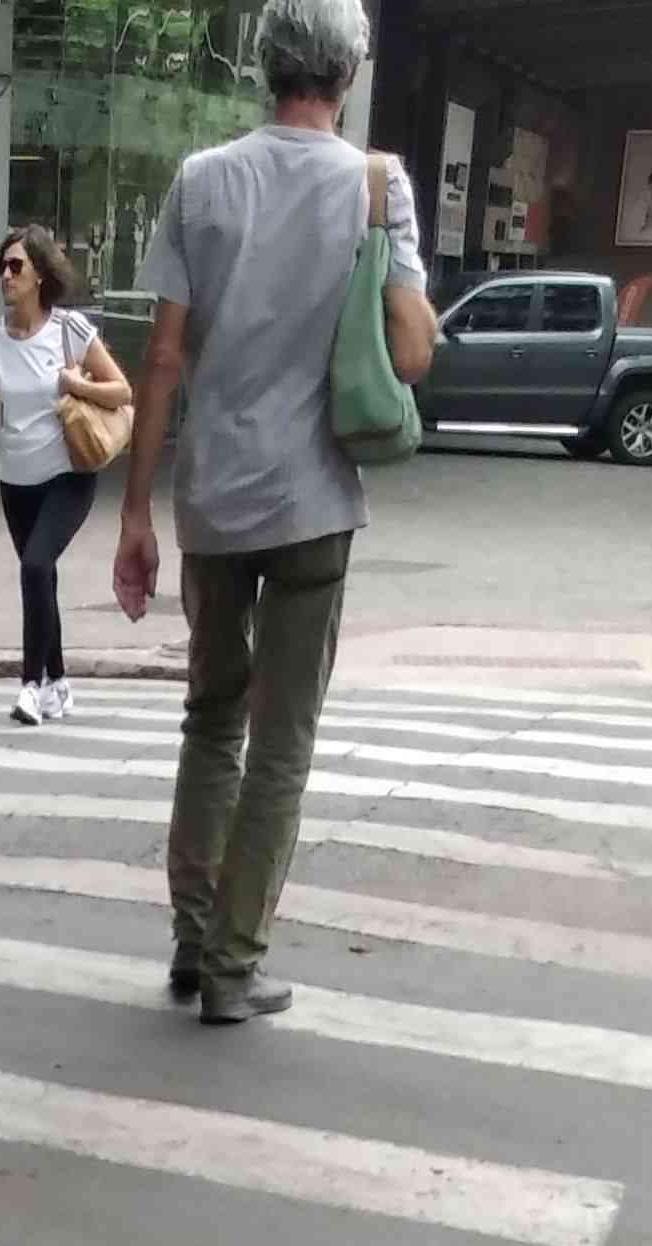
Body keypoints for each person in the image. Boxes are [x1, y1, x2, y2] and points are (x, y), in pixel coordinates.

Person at [111, 0, 434, 1028]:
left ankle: (190, 938)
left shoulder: (201, 180)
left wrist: (134, 515)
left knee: (211, 717)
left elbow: (163, 357)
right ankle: (232, 966)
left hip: (211, 497)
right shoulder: (377, 186)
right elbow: (412, 353)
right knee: (281, 741)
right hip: (313, 503)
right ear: (349, 72)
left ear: (264, 67)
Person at [0, 226, 129, 727]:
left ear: (40, 275)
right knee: (41, 576)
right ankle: (60, 683)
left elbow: (122, 390)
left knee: (35, 566)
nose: (6, 275)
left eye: (16, 266)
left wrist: (74, 383)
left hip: (68, 476)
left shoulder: (68, 330)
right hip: (16, 483)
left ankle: (31, 686)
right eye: (1, 266)